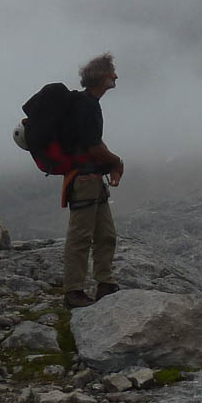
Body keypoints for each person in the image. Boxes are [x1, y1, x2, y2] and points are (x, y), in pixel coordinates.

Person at [61, 53, 125, 309]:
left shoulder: (88, 103)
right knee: (80, 236)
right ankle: (73, 291)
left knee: (106, 233)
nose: (116, 76)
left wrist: (108, 163)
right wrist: (116, 161)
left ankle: (105, 283)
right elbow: (92, 145)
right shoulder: (86, 105)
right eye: (112, 72)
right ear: (101, 77)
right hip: (84, 178)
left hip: (92, 178)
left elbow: (94, 143)